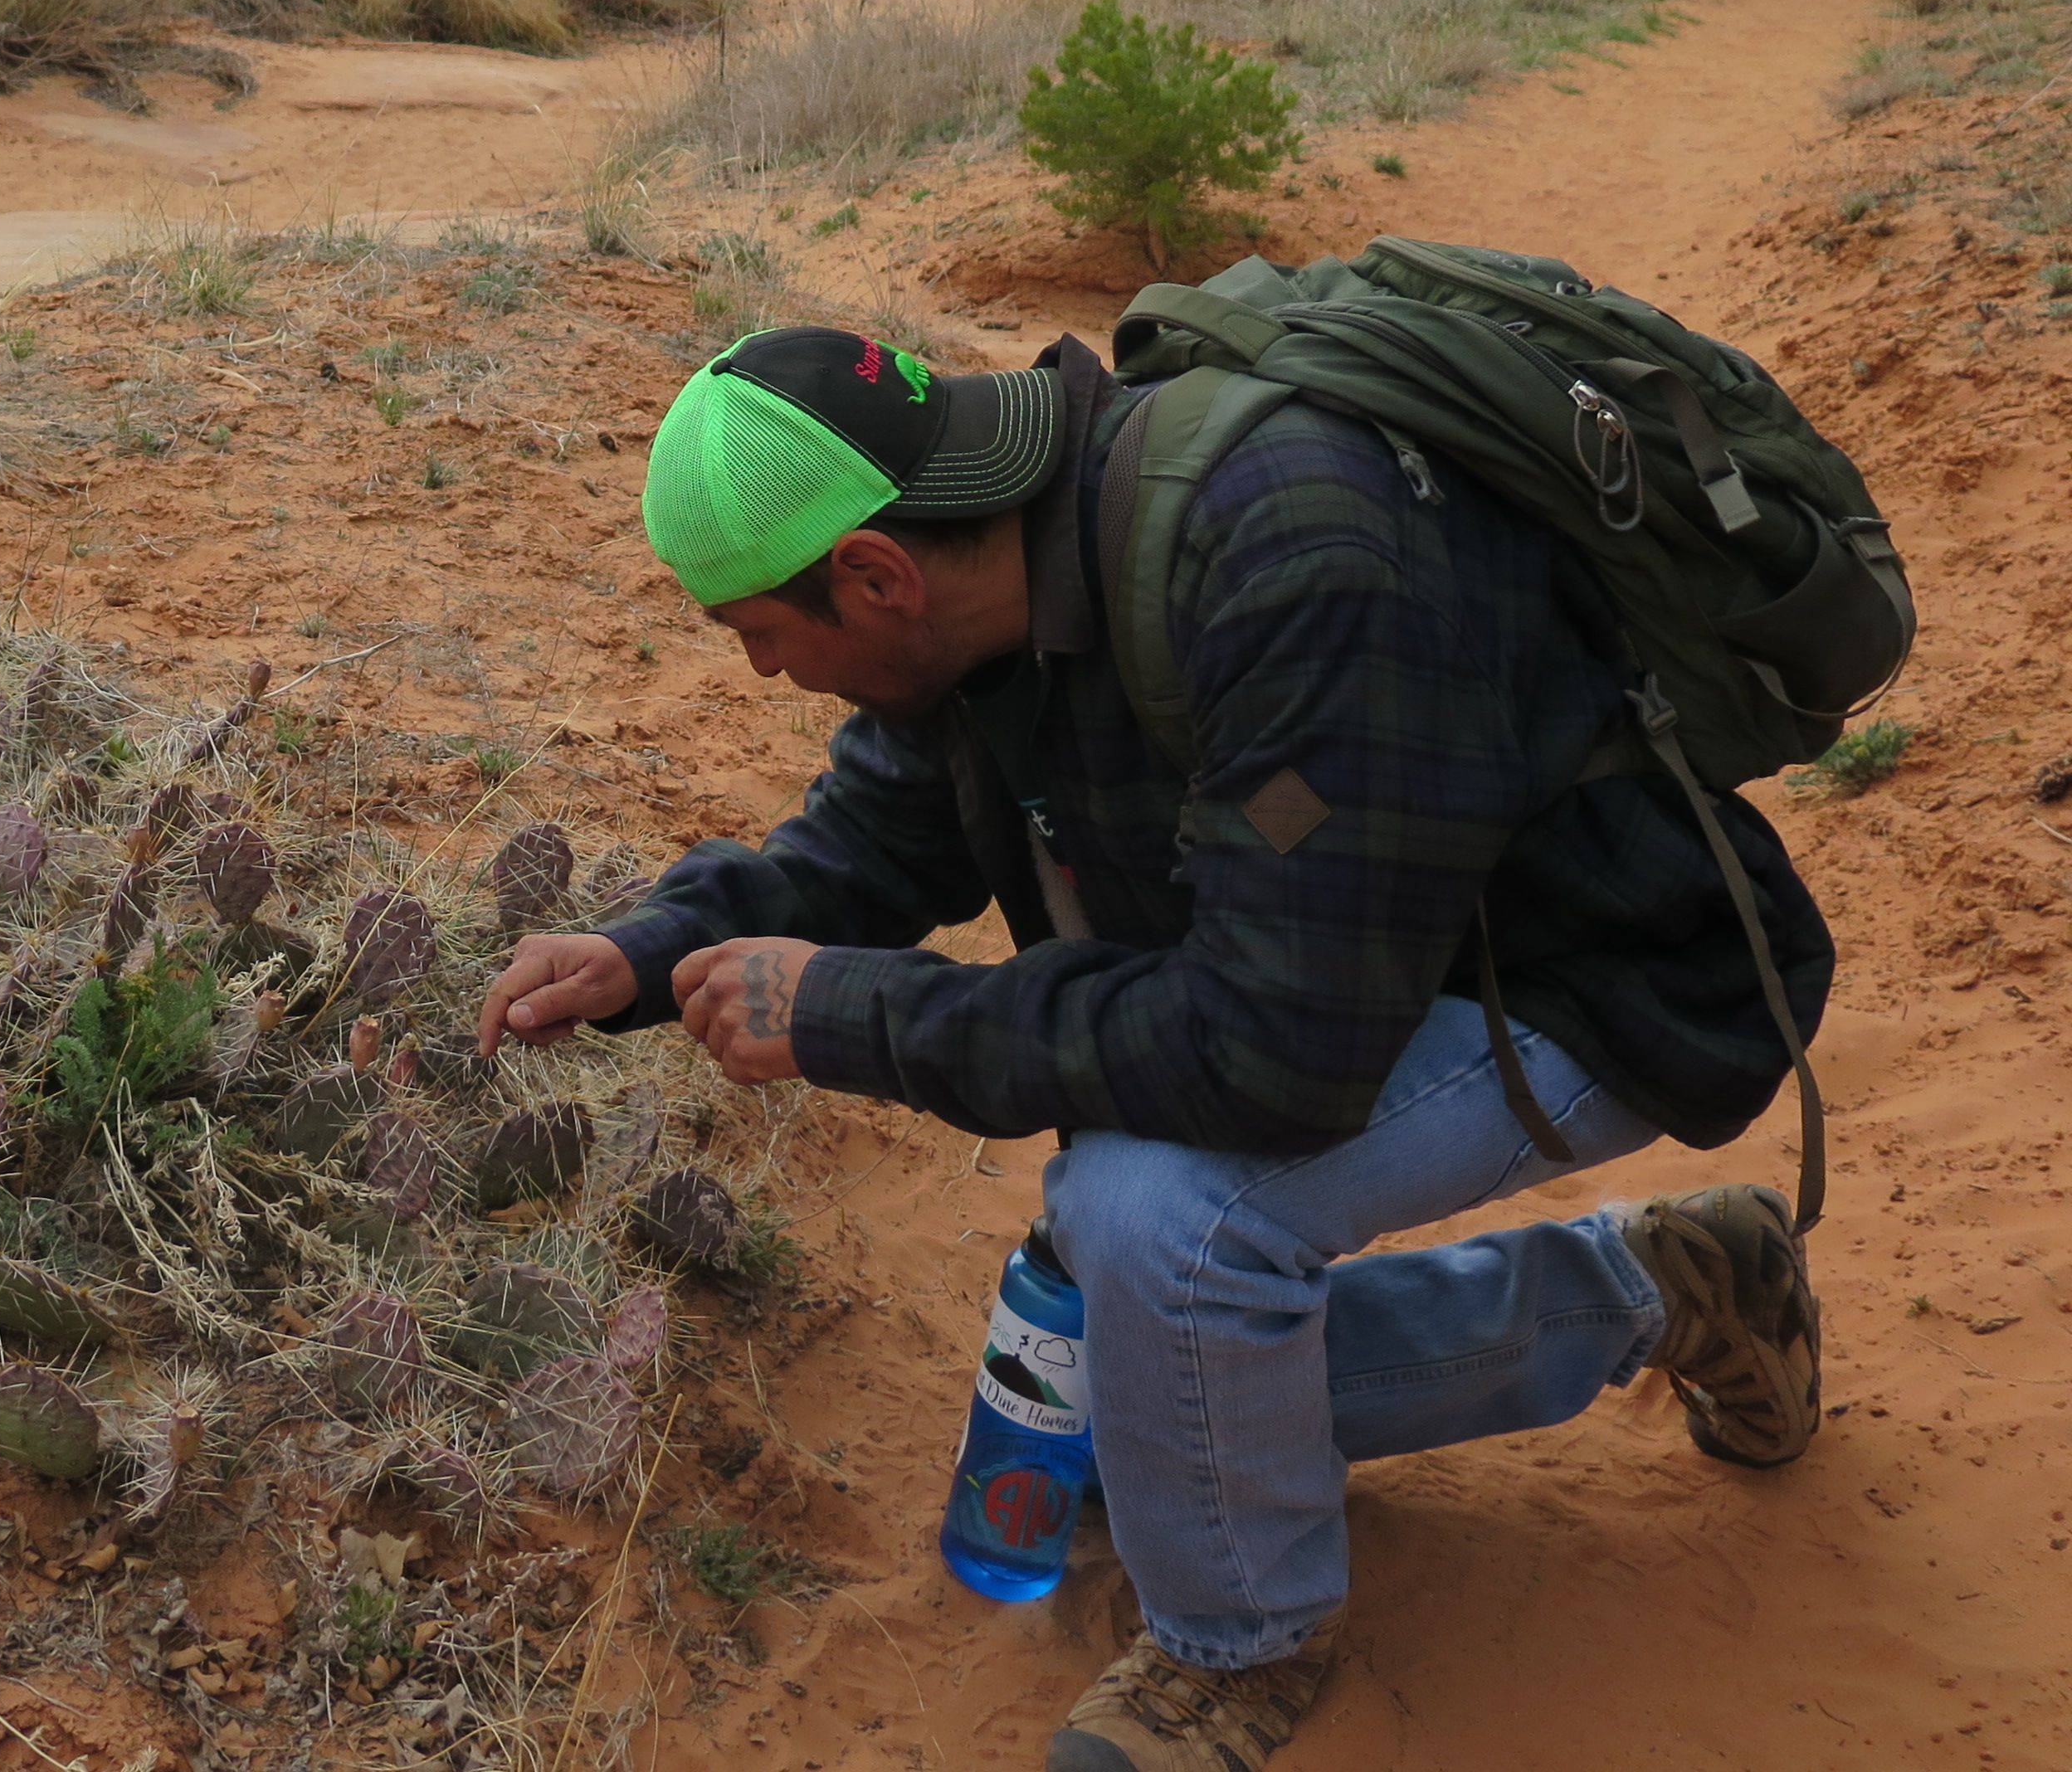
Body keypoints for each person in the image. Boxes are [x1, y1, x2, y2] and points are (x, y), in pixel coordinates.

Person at [475, 325, 1828, 1772]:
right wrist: (649, 948)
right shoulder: (993, 568)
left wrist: (852, 1013)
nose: (765, 674)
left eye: (763, 638)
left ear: (876, 576)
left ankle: (1236, 1648)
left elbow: (1269, 1057)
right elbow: (877, 838)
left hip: (1600, 973)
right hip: (1362, 955)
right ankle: (1679, 1284)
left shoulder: (1283, 557)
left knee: (1158, 1216)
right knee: (1148, 1415)